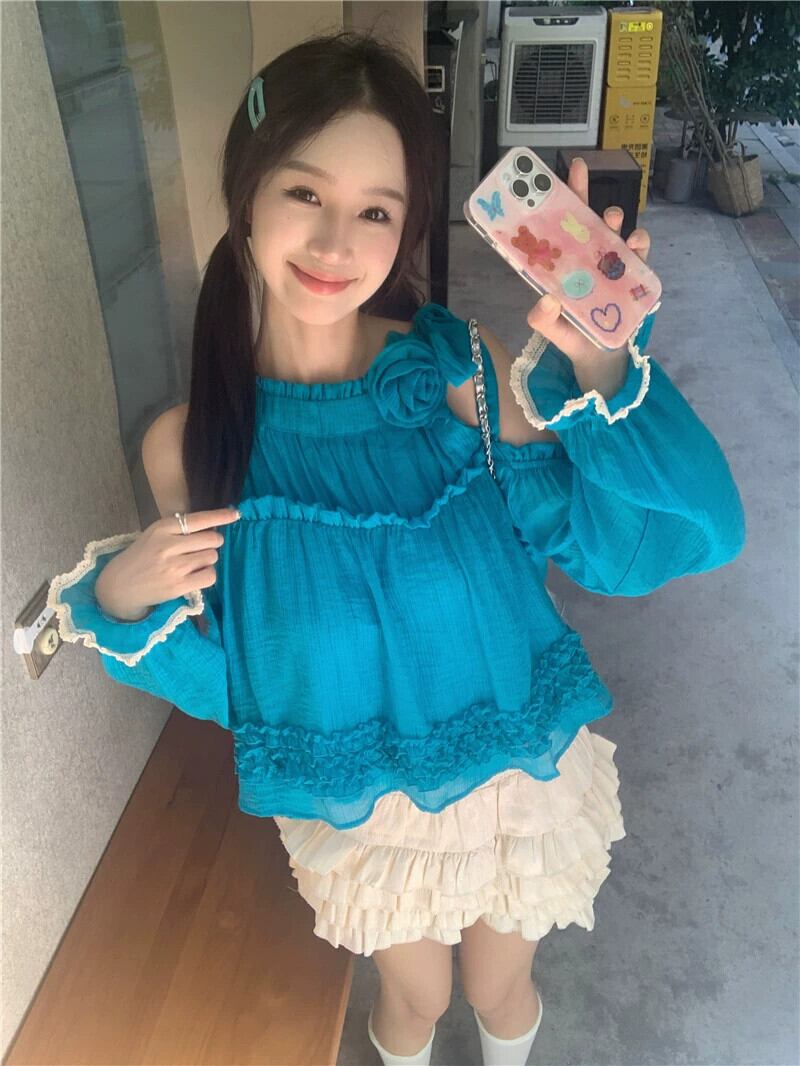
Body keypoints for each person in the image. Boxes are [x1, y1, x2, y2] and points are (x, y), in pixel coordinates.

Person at [47, 29, 746, 1066]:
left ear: (406, 227)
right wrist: (118, 599)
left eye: (375, 210)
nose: (336, 242)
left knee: (500, 992)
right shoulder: (192, 448)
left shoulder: (460, 373)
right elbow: (246, 686)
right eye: (305, 192)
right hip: (365, 807)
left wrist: (604, 376)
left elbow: (638, 548)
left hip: (519, 768)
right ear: (245, 192)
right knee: (414, 1001)